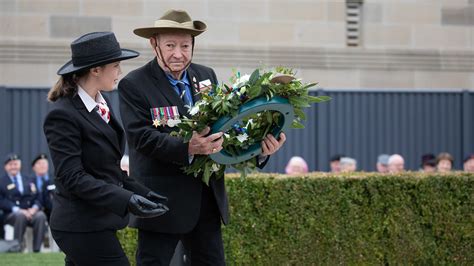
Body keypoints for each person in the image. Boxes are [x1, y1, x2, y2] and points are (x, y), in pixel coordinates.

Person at [118, 9, 286, 265]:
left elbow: (225, 129)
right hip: (161, 203)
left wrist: (259, 149)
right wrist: (189, 147)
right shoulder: (134, 84)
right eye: (170, 45)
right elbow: (142, 137)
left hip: (207, 202)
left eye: (185, 45)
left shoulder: (206, 76)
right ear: (154, 44)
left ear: (193, 44)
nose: (178, 53)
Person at [43, 31, 169, 265]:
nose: (120, 72)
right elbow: (73, 177)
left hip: (97, 221)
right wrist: (126, 199)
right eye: (115, 65)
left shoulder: (102, 102)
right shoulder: (63, 114)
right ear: (95, 70)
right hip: (79, 224)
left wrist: (141, 191)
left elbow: (106, 168)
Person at [0, 153, 47, 252]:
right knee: (20, 216)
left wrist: (34, 208)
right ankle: (17, 247)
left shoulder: (29, 179)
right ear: (5, 166)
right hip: (11, 214)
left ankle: (37, 250)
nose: (13, 167)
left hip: (30, 212)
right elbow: (2, 200)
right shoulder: (2, 181)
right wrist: (18, 210)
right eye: (10, 164)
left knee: (41, 216)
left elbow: (38, 196)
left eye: (15, 164)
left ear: (20, 165)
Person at [30, 153, 55, 220]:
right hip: (36, 213)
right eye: (39, 163)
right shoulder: (29, 181)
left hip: (53, 212)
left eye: (44, 163)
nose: (42, 166)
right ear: (33, 167)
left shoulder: (54, 180)